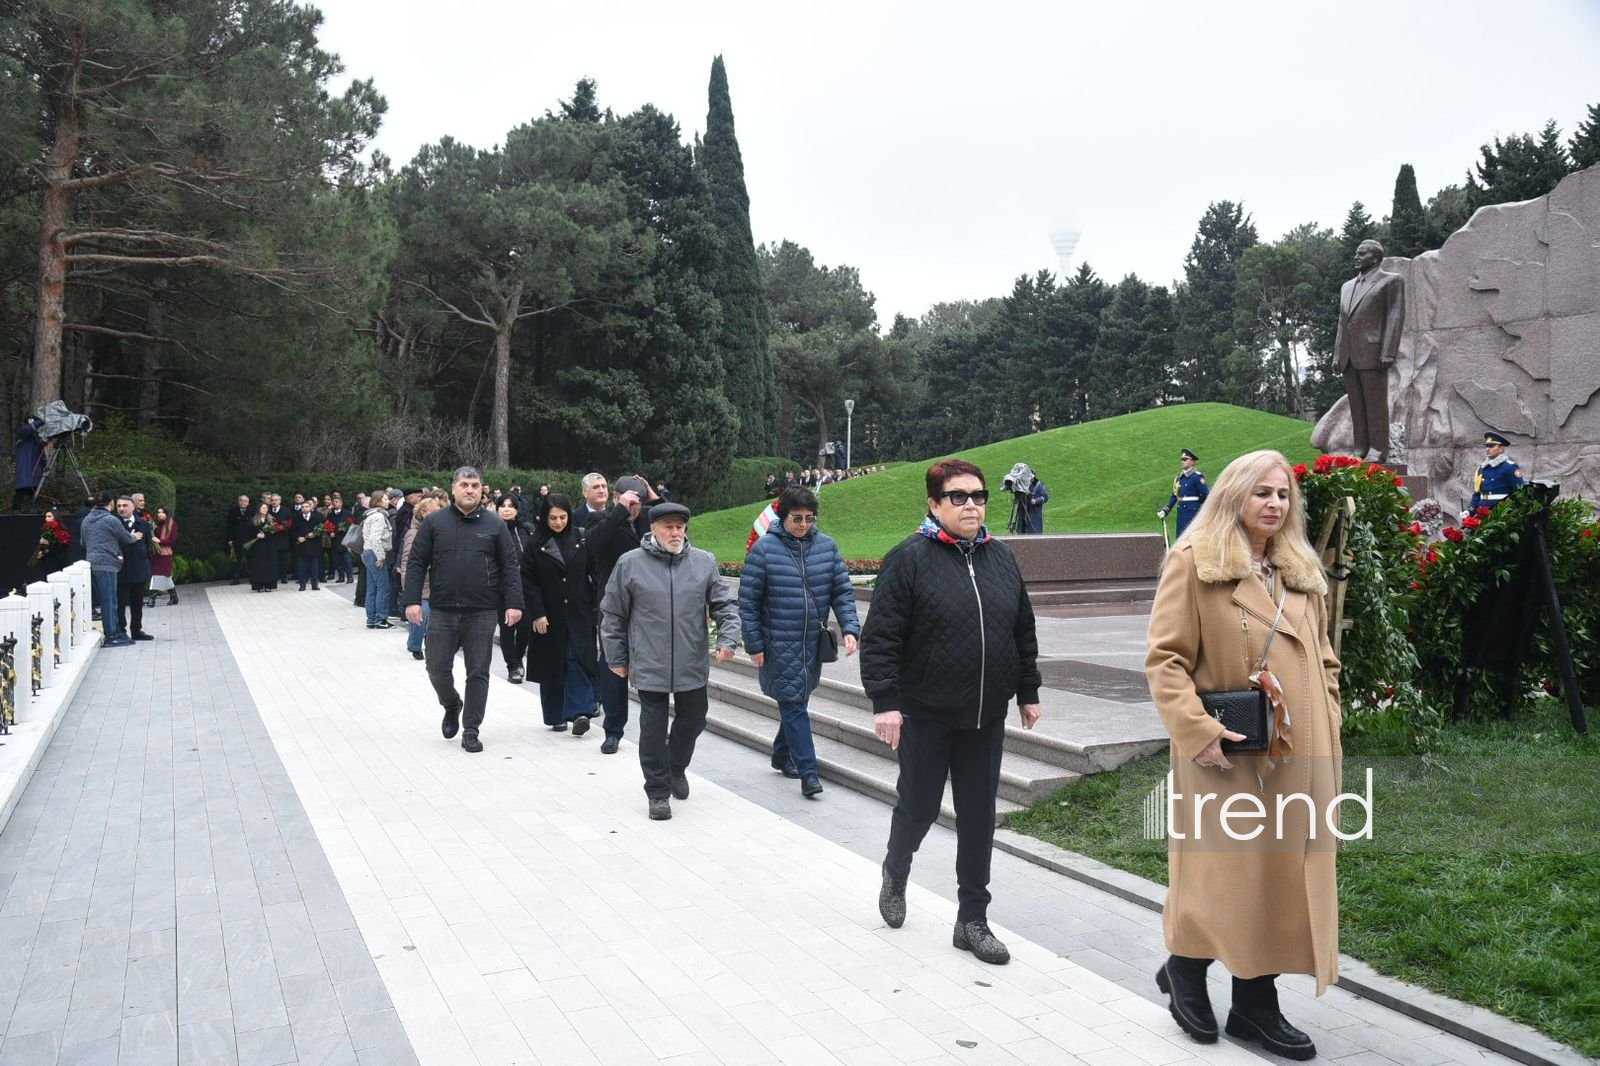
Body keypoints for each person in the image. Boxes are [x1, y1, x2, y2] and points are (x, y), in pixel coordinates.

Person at [1144, 449, 1340, 1061]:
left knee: (1279, 879)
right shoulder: (1195, 564)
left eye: (1283, 495)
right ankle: (1185, 969)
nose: (1274, 504)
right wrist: (1197, 730)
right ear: (1233, 495)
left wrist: (1329, 714)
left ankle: (1255, 1004)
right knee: (1223, 877)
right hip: (1224, 756)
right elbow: (1165, 660)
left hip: (1299, 757)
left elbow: (1325, 657)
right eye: (1262, 493)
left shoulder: (1302, 571)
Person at [860, 458, 1043, 967]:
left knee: (979, 818)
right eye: (958, 497)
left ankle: (972, 921)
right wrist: (886, 703)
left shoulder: (1002, 559)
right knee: (917, 809)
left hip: (985, 716)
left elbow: (1021, 630)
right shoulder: (909, 559)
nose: (971, 505)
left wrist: (1027, 690)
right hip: (925, 714)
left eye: (979, 496)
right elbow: (882, 638)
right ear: (934, 504)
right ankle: (896, 870)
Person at [600, 502, 739, 820]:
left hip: (691, 661)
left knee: (695, 719)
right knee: (652, 727)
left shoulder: (703, 562)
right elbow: (612, 613)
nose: (675, 532)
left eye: (680, 526)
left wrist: (729, 639)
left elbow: (725, 604)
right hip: (649, 662)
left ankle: (676, 767)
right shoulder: (630, 563)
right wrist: (616, 656)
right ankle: (657, 792)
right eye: (668, 527)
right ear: (653, 529)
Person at [739, 487, 861, 797]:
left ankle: (781, 754)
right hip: (777, 642)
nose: (804, 524)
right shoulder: (764, 550)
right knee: (794, 705)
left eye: (809, 518)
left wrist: (850, 627)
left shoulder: (827, 548)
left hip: (812, 643)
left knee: (798, 700)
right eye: (797, 518)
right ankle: (809, 772)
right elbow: (749, 602)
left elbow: (842, 592)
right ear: (783, 516)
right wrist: (754, 644)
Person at [402, 467, 524, 754]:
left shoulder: (495, 524)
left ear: (482, 489)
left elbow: (509, 566)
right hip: (443, 609)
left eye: (475, 485)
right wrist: (412, 601)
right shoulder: (434, 523)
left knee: (478, 671)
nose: (471, 490)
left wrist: (515, 603)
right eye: (465, 485)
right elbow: (417, 562)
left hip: (481, 610)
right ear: (453, 488)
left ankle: (471, 728)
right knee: (436, 667)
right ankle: (451, 704)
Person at [587, 474, 658, 753]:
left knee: (653, 669)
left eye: (638, 503)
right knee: (613, 667)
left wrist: (655, 498)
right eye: (630, 502)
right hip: (613, 608)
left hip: (647, 609)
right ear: (617, 498)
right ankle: (613, 730)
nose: (634, 509)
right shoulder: (602, 520)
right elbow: (593, 545)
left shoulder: (647, 522)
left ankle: (653, 729)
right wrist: (619, 510)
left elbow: (675, 525)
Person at [524, 494, 600, 735]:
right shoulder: (535, 544)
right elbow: (529, 581)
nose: (558, 522)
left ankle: (580, 712)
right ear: (544, 518)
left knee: (576, 658)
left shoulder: (581, 538)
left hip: (579, 612)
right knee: (552, 662)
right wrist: (537, 613)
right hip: (549, 614)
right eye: (553, 518)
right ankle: (556, 714)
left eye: (563, 517)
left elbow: (593, 571)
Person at [1334, 238, 1405, 464]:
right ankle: (1360, 447)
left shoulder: (1391, 281)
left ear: (1375, 258)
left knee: (1375, 405)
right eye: (1356, 253)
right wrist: (1337, 353)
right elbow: (1342, 322)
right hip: (1349, 355)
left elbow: (1395, 317)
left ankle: (1378, 449)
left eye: (1361, 253)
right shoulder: (1346, 287)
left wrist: (1388, 351)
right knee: (1357, 405)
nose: (1356, 257)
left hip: (1374, 353)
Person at [82, 491, 141, 646]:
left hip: (91, 562)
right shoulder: (111, 519)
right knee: (110, 601)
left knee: (103, 600)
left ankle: (114, 632)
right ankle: (112, 635)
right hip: (107, 563)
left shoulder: (87, 519)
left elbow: (83, 542)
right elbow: (126, 538)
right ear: (111, 503)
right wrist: (135, 536)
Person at [397, 495, 445, 661]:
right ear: (424, 512)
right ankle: (415, 645)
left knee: (431, 618)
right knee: (421, 616)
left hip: (435, 584)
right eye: (435, 511)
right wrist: (408, 587)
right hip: (421, 584)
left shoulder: (436, 530)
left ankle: (426, 644)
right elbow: (407, 562)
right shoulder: (414, 533)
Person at [494, 494, 533, 683]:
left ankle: (518, 658)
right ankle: (512, 666)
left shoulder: (526, 529)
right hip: (502, 588)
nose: (507, 509)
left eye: (511, 506)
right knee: (507, 628)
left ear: (517, 510)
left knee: (525, 628)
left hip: (525, 586)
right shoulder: (492, 529)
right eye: (503, 505)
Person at [114, 496, 155, 641]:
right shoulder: (115, 524)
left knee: (137, 602)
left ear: (132, 507)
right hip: (121, 569)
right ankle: (121, 630)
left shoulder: (143, 524)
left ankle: (136, 630)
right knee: (120, 603)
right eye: (119, 506)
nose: (121, 509)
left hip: (138, 568)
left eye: (125, 505)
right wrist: (129, 537)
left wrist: (148, 567)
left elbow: (148, 546)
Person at [1465, 431, 1525, 516]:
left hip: (1501, 514)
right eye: (1486, 446)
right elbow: (1477, 494)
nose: (1487, 449)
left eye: (1491, 446)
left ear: (1501, 449)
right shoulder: (1481, 469)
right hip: (1482, 513)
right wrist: (1469, 511)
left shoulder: (1509, 467)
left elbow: (1519, 492)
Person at [360, 489, 394, 629]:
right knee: (383, 587)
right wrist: (380, 557)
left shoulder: (370, 515)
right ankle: (380, 619)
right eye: (386, 499)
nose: (388, 501)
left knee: (372, 588)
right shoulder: (379, 517)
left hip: (368, 553)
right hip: (375, 554)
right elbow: (375, 538)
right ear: (378, 501)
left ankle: (372, 619)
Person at [1159, 449, 1210, 537]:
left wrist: (1198, 503)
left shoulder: (1197, 477)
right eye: (1182, 460)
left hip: (1192, 512)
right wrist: (1166, 510)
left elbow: (1206, 493)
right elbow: (1175, 495)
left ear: (1192, 462)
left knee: (1191, 537)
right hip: (1181, 512)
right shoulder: (1179, 478)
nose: (1182, 462)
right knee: (1180, 536)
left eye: (1185, 460)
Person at [291, 497, 325, 591]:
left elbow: (322, 529)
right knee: (302, 567)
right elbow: (292, 531)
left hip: (314, 546)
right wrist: (298, 537)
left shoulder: (318, 517)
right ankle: (302, 584)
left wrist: (315, 534)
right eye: (302, 507)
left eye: (306, 507)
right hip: (302, 546)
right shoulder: (297, 518)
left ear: (310, 508)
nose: (304, 509)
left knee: (314, 566)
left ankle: (315, 584)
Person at [13, 415, 46, 512]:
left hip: (34, 469)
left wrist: (44, 465)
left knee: (34, 490)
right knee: (22, 489)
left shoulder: (35, 437)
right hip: (26, 468)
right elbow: (27, 429)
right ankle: (16, 509)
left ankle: (33, 510)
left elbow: (40, 454)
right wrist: (41, 421)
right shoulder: (22, 431)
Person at [246, 502, 280, 592]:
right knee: (258, 566)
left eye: (266, 508)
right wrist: (256, 535)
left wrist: (266, 536)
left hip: (269, 546)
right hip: (257, 547)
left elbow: (275, 533)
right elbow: (248, 532)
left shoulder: (272, 519)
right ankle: (259, 585)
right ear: (259, 509)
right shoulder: (252, 520)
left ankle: (269, 585)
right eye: (263, 508)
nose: (264, 509)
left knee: (269, 565)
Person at [149, 506, 179, 606]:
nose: (160, 514)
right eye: (158, 512)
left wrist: (160, 541)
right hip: (156, 553)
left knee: (162, 576)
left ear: (167, 514)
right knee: (159, 576)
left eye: (162, 512)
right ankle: (174, 596)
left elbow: (173, 541)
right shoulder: (156, 525)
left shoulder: (172, 525)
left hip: (165, 555)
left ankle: (152, 599)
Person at [226, 494, 253, 585]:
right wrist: (229, 539)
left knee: (251, 559)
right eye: (241, 500)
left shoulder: (252, 512)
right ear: (238, 501)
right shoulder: (233, 511)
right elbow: (229, 526)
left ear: (248, 503)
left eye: (245, 501)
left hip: (249, 540)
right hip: (237, 539)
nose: (243, 502)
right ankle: (236, 579)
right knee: (236, 560)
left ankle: (252, 578)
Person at [327, 492, 353, 583]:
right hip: (334, 541)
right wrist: (329, 532)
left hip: (344, 540)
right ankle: (341, 576)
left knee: (347, 560)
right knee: (337, 560)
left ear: (341, 503)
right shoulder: (330, 515)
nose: (334, 503)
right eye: (333, 501)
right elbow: (327, 525)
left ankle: (350, 577)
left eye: (336, 501)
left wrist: (343, 529)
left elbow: (351, 525)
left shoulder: (347, 513)